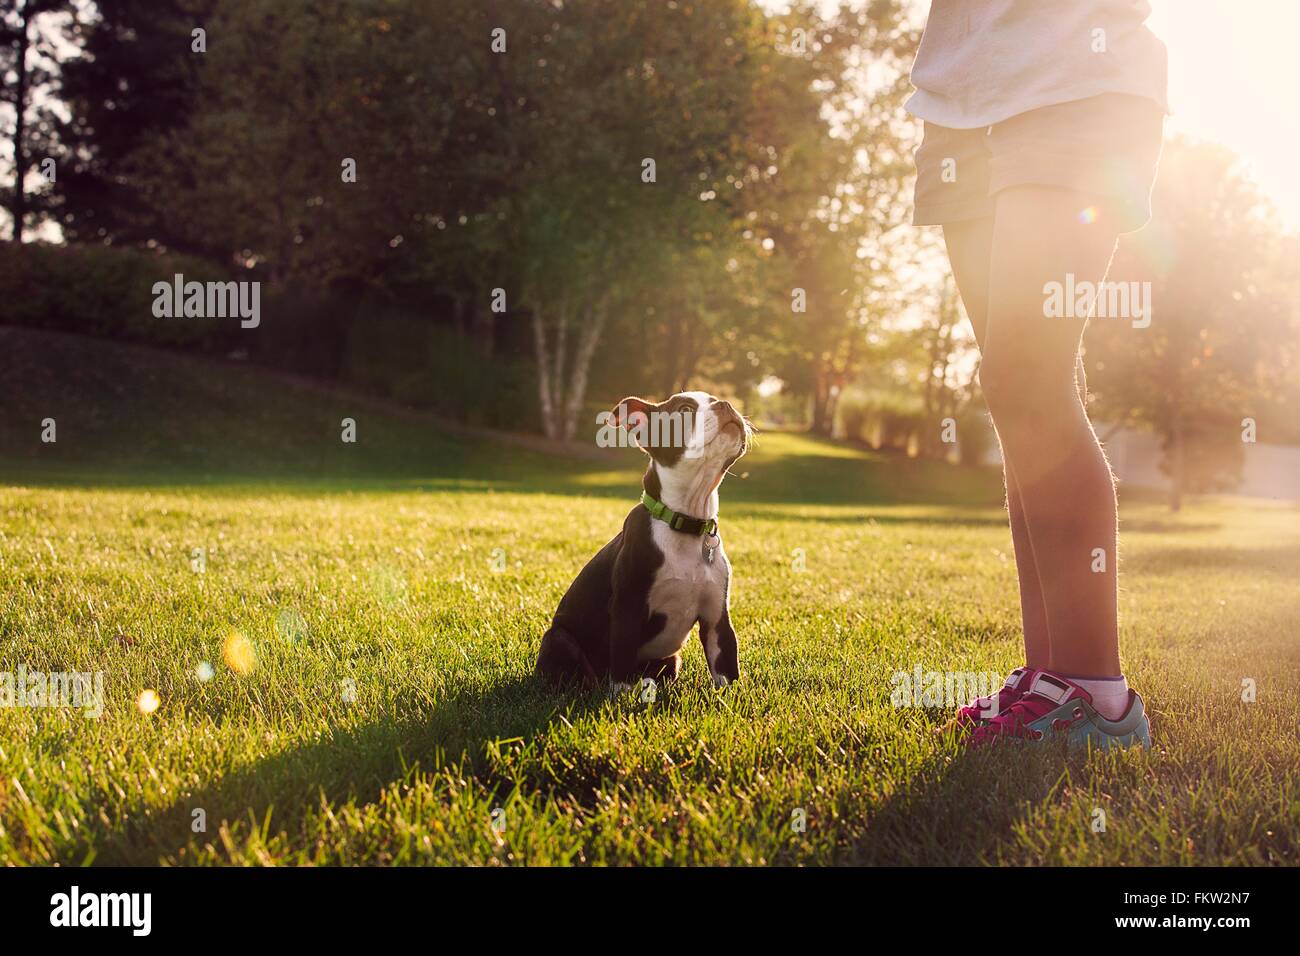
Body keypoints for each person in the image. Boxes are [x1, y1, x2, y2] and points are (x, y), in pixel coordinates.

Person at [907, 1, 1167, 747]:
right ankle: (1049, 677)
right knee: (1012, 387)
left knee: (1029, 376)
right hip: (959, 101)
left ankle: (1100, 696)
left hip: (1075, 82)